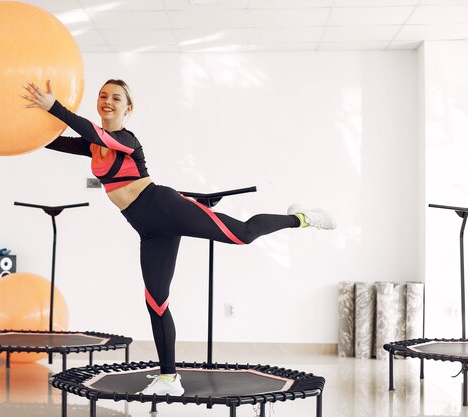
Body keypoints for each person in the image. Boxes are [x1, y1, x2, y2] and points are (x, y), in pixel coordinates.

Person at [22, 79, 336, 396]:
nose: (108, 101)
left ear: (128, 108)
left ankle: (302, 218)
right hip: (148, 229)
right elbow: (52, 142)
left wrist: (54, 106)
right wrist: (17, 125)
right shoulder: (93, 145)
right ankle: (169, 378)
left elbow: (94, 132)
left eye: (116, 98)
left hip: (165, 207)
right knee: (156, 301)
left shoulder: (127, 140)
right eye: (103, 96)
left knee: (241, 235)